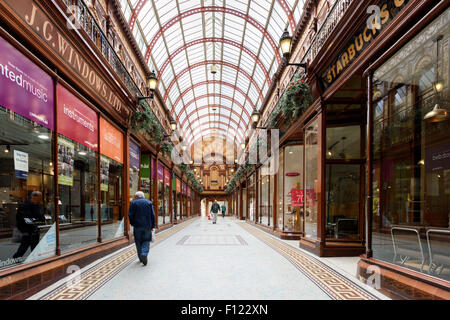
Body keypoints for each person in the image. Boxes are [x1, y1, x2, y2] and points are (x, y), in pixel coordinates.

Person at [13, 191, 45, 259]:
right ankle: (16, 257)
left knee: (34, 245)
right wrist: (34, 222)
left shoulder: (38, 204)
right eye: (38, 198)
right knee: (25, 245)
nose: (39, 200)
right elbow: (23, 218)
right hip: (27, 229)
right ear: (33, 197)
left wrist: (40, 222)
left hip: (35, 228)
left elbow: (41, 217)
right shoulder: (24, 205)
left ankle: (35, 259)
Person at [128, 191, 156, 266]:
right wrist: (153, 226)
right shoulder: (149, 203)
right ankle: (144, 253)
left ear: (136, 196)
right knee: (146, 240)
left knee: (138, 241)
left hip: (137, 226)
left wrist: (133, 223)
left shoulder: (133, 203)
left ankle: (141, 258)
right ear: (143, 196)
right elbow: (152, 215)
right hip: (147, 226)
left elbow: (130, 215)